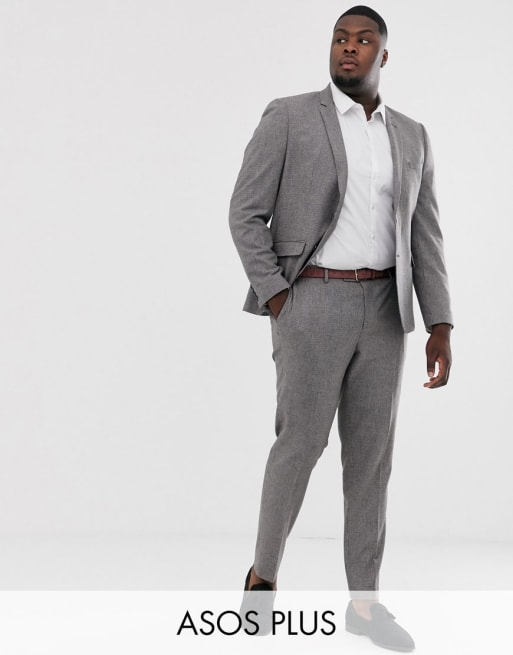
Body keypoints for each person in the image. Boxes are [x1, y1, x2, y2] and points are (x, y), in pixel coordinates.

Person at [229, 5, 452, 651]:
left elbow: (425, 233)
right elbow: (244, 213)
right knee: (299, 445)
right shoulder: (290, 116)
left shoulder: (411, 135)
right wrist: (279, 295)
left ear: (384, 55)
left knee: (372, 461)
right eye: (339, 39)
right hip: (311, 302)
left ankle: (364, 606)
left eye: (363, 40)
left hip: (385, 311)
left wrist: (438, 320)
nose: (348, 48)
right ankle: (262, 580)